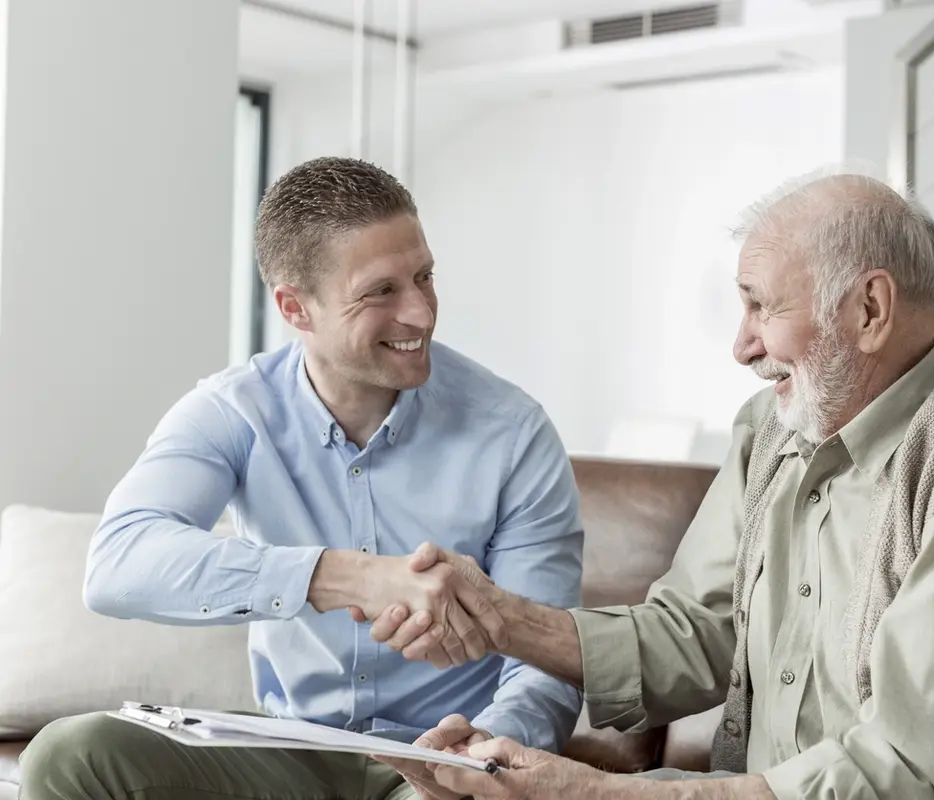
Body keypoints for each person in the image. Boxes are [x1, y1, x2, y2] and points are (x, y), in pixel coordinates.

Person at [368, 169, 934, 800]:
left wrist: (593, 792)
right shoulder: (770, 428)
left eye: (761, 304)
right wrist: (499, 619)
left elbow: (909, 772)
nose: (742, 344)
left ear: (870, 309)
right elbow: (698, 631)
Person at [18, 157, 584, 800]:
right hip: (288, 749)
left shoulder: (513, 432)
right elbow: (118, 563)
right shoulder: (234, 411)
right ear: (295, 308)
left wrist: (482, 759)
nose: (422, 313)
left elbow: (547, 663)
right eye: (382, 292)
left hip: (449, 758)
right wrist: (343, 576)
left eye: (424, 277)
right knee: (68, 756)